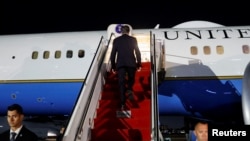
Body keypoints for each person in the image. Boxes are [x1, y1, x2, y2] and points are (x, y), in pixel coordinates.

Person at [110, 25, 142, 110]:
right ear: (128, 31)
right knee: (131, 79)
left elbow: (113, 54)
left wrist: (113, 66)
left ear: (121, 31)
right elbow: (138, 52)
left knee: (121, 83)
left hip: (120, 64)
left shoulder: (116, 40)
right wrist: (139, 64)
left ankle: (123, 103)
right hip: (131, 63)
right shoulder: (133, 40)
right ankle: (129, 88)